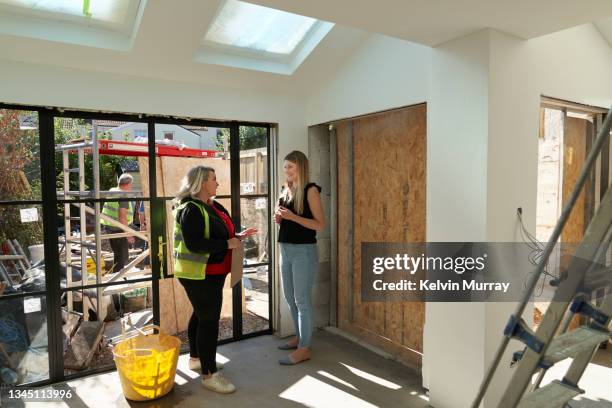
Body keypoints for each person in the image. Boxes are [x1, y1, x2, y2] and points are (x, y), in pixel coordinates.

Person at [173, 165, 256, 394]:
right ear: (200, 183)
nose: (217, 183)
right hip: (199, 274)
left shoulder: (212, 205)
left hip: (213, 272)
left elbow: (221, 234)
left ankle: (196, 359)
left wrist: (236, 237)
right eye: (213, 179)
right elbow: (195, 244)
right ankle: (209, 375)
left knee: (201, 315)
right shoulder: (190, 209)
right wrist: (227, 244)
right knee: (209, 321)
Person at [275, 151, 325, 365]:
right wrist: (280, 219)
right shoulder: (285, 189)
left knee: (301, 300)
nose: (286, 171)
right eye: (285, 167)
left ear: (301, 168)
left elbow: (319, 224)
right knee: (289, 298)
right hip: (284, 249)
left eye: (291, 167)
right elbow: (287, 222)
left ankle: (304, 348)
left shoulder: (310, 190)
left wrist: (292, 217)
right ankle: (299, 337)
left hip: (303, 251)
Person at [101, 173, 135, 273]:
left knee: (118, 254)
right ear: (128, 184)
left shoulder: (112, 191)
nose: (131, 187)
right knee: (122, 256)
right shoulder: (122, 194)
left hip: (110, 226)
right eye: (131, 185)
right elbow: (122, 217)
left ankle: (117, 276)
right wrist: (128, 234)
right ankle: (117, 279)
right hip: (118, 227)